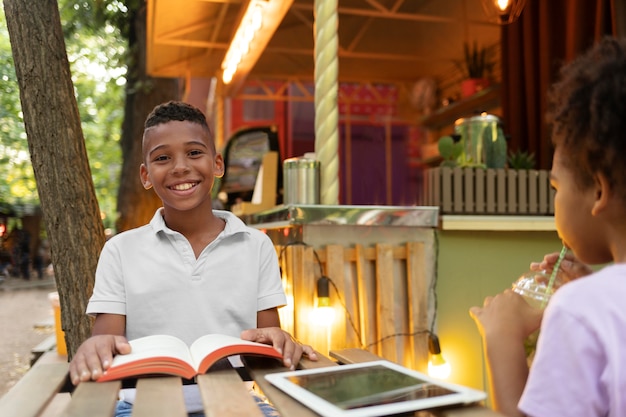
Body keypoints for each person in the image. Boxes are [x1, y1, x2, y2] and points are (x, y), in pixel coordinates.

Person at [68, 101, 317, 416]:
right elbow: (106, 343)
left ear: (217, 165)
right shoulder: (120, 250)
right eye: (162, 158)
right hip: (139, 407)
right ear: (146, 175)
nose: (180, 167)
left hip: (235, 404)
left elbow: (265, 347)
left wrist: (280, 341)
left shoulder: (256, 245)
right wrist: (94, 348)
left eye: (194, 153)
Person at [469, 36, 626, 417]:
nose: (554, 198)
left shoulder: (581, 311)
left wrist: (502, 338)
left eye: (556, 186)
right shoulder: (594, 305)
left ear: (599, 190)